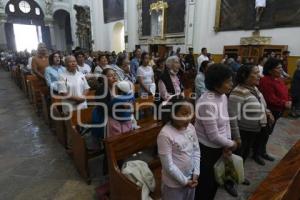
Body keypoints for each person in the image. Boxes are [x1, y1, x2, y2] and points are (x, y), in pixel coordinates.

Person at [194, 64, 238, 199]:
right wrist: (231, 144)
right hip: (207, 149)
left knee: (216, 180)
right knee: (206, 184)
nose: (231, 84)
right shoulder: (207, 102)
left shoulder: (223, 96)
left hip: (220, 145)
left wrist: (227, 143)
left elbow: (226, 122)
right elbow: (213, 136)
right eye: (228, 81)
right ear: (216, 83)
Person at [228, 65, 274, 166]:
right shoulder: (238, 92)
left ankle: (240, 175)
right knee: (238, 156)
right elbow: (232, 117)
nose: (259, 76)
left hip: (253, 131)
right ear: (245, 75)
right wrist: (236, 137)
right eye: (256, 73)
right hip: (242, 132)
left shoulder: (254, 89)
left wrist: (267, 112)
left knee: (245, 154)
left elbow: (260, 104)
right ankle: (232, 178)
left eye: (259, 73)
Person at [157, 95, 200, 200]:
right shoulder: (165, 134)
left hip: (191, 178)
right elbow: (168, 166)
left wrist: (196, 172)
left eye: (190, 113)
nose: (189, 117)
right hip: (173, 184)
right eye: (184, 114)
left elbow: (196, 150)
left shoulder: (190, 128)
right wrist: (185, 181)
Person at [259, 58, 292, 162]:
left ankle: (261, 150)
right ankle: (258, 153)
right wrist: (284, 103)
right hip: (270, 111)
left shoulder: (279, 79)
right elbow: (270, 98)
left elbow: (286, 92)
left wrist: (289, 100)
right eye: (278, 68)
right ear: (270, 70)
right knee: (263, 133)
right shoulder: (265, 80)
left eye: (281, 67)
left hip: (278, 110)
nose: (281, 70)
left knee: (268, 132)